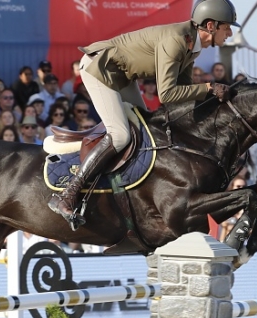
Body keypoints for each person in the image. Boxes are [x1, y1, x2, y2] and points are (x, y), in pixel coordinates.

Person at [47, 0, 238, 228]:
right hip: (101, 68)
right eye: (227, 27)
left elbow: (184, 94)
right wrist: (208, 88)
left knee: (149, 128)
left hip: (123, 74)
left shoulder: (192, 45)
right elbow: (167, 94)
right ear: (210, 25)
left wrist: (211, 103)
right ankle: (67, 194)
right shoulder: (177, 40)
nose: (229, 33)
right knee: (120, 135)